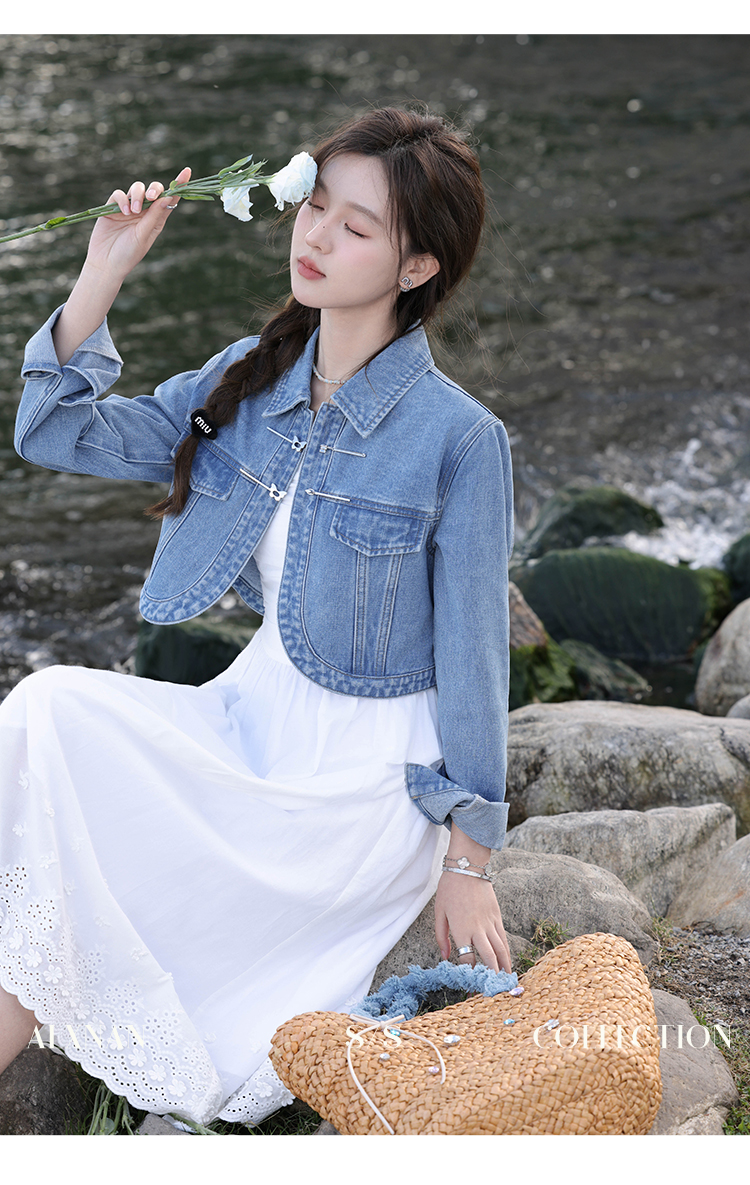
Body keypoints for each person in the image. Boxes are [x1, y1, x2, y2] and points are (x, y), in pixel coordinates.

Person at [0, 106, 514, 1126]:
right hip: (250, 723)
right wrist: (105, 269)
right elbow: (53, 431)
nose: (314, 237)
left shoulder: (460, 438)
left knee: (64, 851)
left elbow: (475, 661)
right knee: (45, 711)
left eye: (355, 227)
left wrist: (469, 862)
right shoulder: (252, 378)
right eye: (315, 206)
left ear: (417, 267)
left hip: (359, 787)